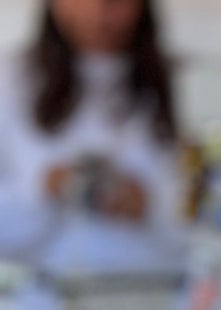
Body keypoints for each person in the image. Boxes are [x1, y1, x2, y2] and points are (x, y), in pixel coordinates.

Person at [0, 0, 184, 279]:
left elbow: (219, 219)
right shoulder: (11, 81)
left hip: (152, 297)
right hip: (40, 307)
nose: (101, 8)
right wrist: (45, 189)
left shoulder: (180, 82)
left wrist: (150, 204)